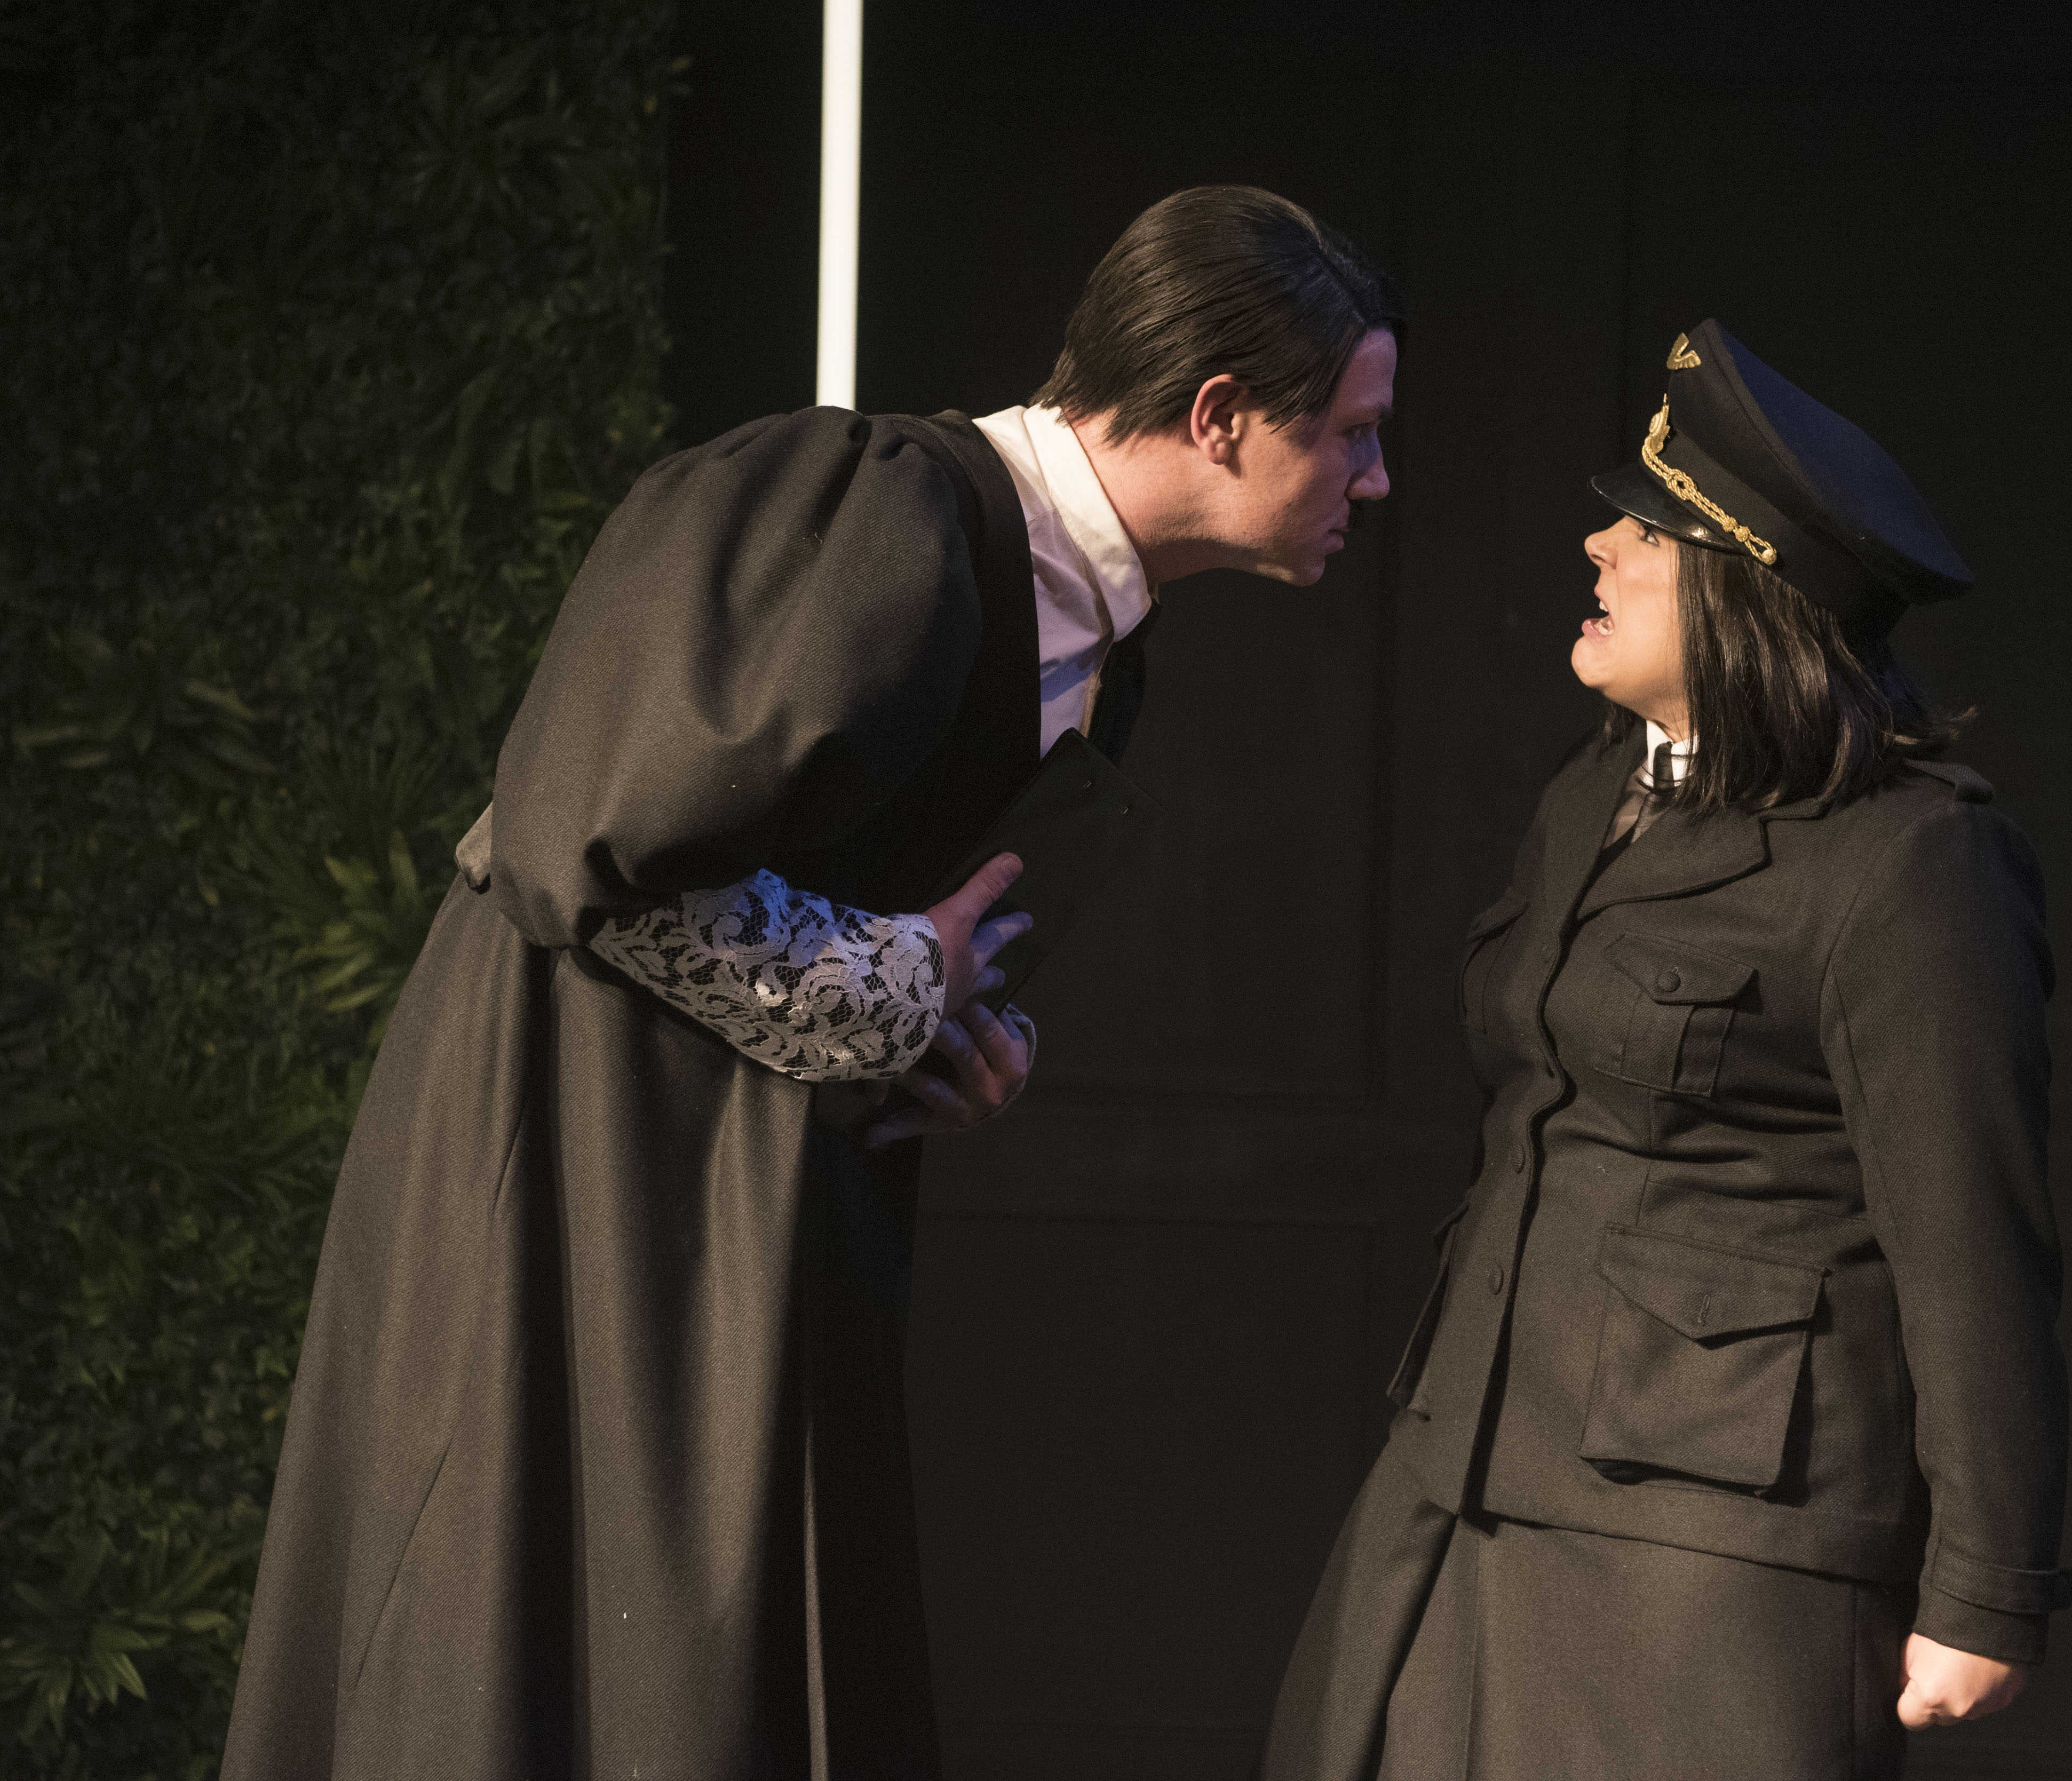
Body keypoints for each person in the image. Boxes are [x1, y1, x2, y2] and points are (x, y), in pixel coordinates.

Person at [222, 185, 1400, 1780]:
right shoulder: (882, 513)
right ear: (1220, 414)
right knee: (551, 1654)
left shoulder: (1100, 651)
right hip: (585, 1157)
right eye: (1352, 433)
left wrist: (955, 1039)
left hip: (755, 1206)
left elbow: (885, 929)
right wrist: (899, 983)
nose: (1373, 479)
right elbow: (580, 843)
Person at [1260, 319, 2069, 1781]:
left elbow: (1971, 1240)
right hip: (1465, 1467)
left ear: (1749, 589)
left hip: (1712, 1546)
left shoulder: (1912, 862)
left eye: (1646, 529)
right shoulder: (1600, 794)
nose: (1598, 546)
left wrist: (1987, 1587)